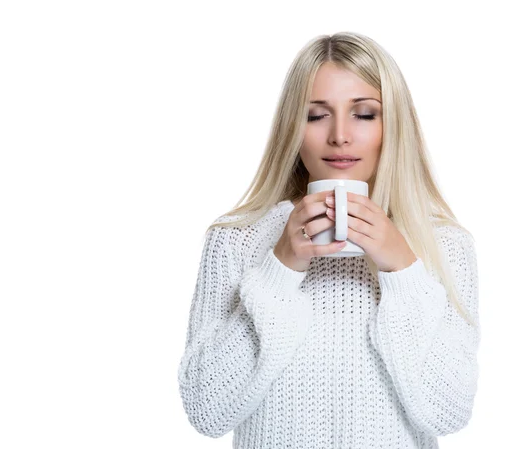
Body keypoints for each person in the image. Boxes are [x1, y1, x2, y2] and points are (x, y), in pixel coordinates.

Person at [176, 32, 480, 449]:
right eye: (317, 115)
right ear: (292, 127)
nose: (339, 135)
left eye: (365, 114)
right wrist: (278, 270)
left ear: (393, 125)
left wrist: (403, 270)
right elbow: (206, 412)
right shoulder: (236, 240)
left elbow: (448, 412)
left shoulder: (443, 245)